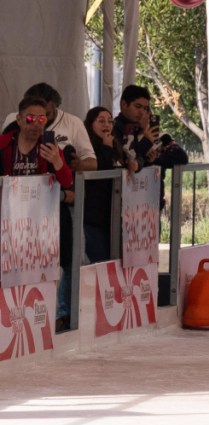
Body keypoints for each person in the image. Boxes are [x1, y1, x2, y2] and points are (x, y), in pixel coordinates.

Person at [0, 96, 73, 325]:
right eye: (30, 118)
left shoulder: (51, 148)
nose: (36, 124)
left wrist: (58, 164)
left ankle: (32, 320)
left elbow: (68, 181)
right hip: (8, 223)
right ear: (20, 120)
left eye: (41, 118)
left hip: (37, 228)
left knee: (35, 275)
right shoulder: (3, 144)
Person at [82, 106, 139, 263]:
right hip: (94, 218)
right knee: (101, 263)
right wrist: (106, 147)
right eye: (101, 121)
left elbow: (131, 160)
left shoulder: (116, 145)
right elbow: (100, 168)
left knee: (116, 263)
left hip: (115, 216)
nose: (106, 125)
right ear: (90, 124)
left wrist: (133, 164)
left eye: (109, 121)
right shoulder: (87, 148)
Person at [2, 82, 97, 172]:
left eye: (45, 115)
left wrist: (80, 165)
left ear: (56, 107)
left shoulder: (73, 122)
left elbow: (93, 163)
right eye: (31, 118)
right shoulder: (12, 119)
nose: (38, 122)